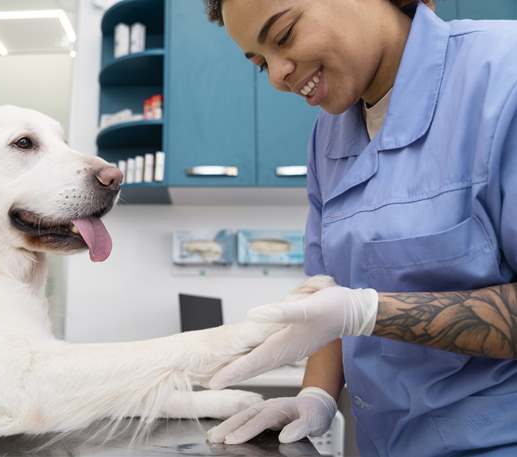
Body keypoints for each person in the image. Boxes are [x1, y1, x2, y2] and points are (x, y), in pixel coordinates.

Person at [202, 0, 517, 455]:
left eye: (285, 34)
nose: (276, 75)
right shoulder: (328, 136)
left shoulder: (501, 77)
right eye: (259, 63)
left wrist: (368, 313)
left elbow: (353, 308)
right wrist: (316, 394)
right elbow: (333, 296)